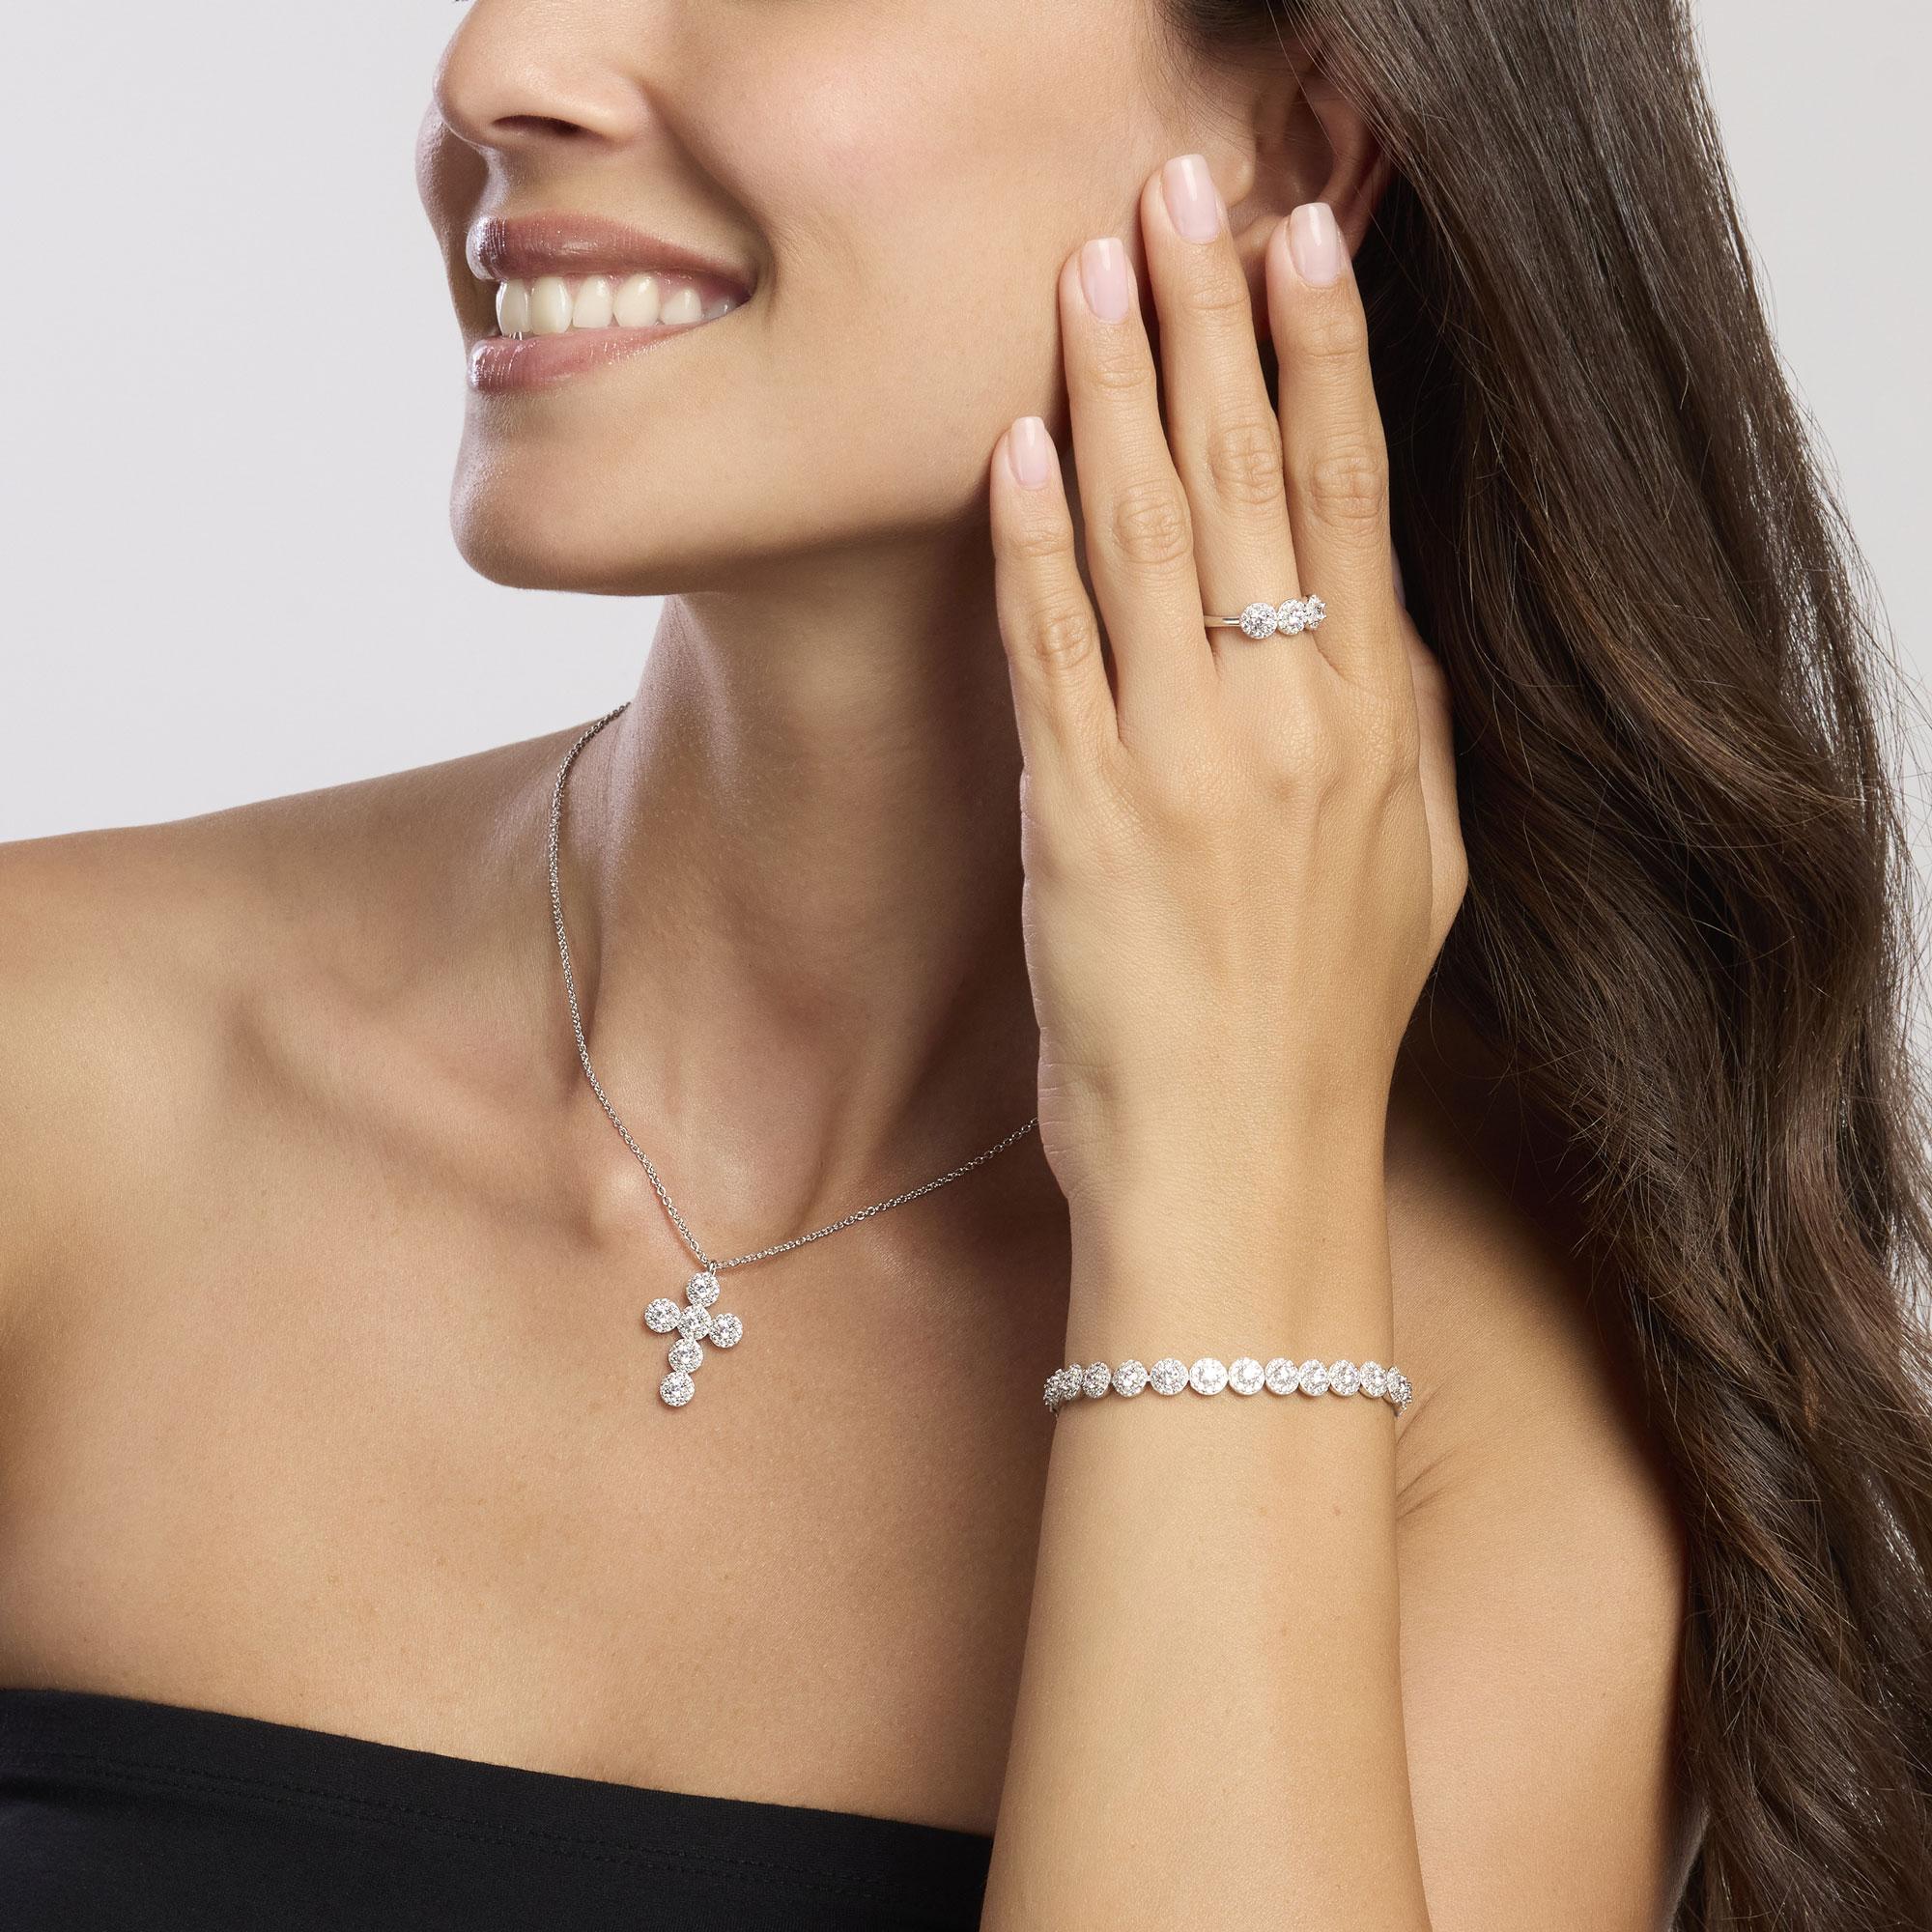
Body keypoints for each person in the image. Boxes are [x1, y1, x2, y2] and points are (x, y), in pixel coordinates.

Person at [2, 0, 1927, 1927]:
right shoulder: (52, 1071)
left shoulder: (1531, 1378)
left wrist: (1221, 1198)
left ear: (1297, 143)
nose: (500, 63)